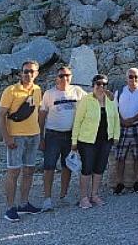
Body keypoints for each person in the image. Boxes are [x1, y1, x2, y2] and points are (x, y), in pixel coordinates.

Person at [0, 60, 44, 221]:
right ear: (20, 73)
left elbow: (37, 112)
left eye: (32, 71)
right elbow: (1, 116)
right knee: (13, 172)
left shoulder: (37, 90)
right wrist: (7, 137)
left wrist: (40, 134)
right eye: (26, 71)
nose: (28, 74)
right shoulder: (10, 91)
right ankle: (10, 207)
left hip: (34, 135)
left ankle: (24, 203)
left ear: (37, 74)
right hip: (16, 137)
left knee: (29, 170)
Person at [38, 65, 87, 211]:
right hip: (53, 134)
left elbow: (91, 100)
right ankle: (47, 199)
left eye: (67, 75)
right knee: (49, 167)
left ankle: (63, 195)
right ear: (56, 78)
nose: (64, 78)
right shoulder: (49, 94)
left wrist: (107, 94)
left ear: (71, 77)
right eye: (61, 76)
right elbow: (42, 116)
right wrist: (41, 138)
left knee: (67, 166)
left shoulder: (77, 91)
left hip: (70, 135)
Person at [71, 74, 121, 209]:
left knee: (99, 168)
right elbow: (78, 121)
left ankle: (94, 195)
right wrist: (74, 141)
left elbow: (116, 119)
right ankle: (83, 197)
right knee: (87, 169)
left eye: (104, 84)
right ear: (93, 85)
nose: (101, 86)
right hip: (87, 141)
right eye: (98, 84)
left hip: (105, 140)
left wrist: (116, 136)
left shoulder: (110, 100)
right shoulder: (86, 100)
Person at [112, 67, 138, 195]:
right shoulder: (119, 91)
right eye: (130, 76)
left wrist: (132, 120)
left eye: (136, 77)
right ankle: (119, 183)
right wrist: (122, 121)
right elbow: (114, 109)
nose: (133, 79)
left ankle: (137, 182)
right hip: (122, 127)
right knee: (120, 157)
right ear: (126, 78)